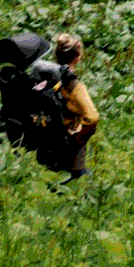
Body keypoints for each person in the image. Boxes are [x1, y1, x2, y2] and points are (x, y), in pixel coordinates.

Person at [38, 34, 98, 178]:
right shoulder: (75, 86)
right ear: (77, 58)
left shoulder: (46, 76)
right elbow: (93, 118)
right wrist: (78, 139)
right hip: (70, 153)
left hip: (45, 145)